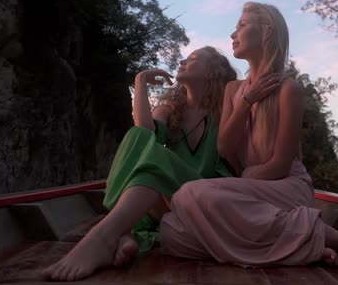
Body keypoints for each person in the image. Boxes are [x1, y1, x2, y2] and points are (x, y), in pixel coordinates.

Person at [159, 2, 338, 267]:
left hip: (286, 189)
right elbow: (225, 148)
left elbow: (280, 165)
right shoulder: (232, 90)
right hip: (251, 192)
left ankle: (311, 230)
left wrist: (243, 179)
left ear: (267, 32)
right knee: (171, 232)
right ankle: (299, 241)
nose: (233, 34)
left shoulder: (288, 89)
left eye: (241, 26)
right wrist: (247, 101)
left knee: (186, 195)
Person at [43, 46, 237, 281]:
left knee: (156, 162)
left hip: (201, 197)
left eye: (194, 58)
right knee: (141, 137)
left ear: (213, 72)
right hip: (166, 201)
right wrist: (140, 81)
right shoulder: (170, 110)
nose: (183, 60)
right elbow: (145, 131)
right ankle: (118, 234)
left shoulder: (226, 112)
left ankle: (109, 235)